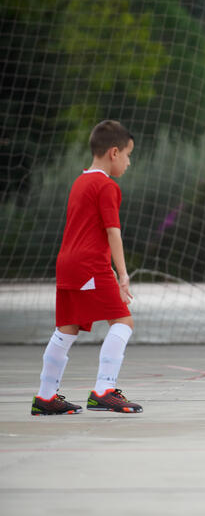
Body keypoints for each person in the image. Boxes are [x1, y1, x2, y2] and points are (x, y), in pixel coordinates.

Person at [31, 120, 143, 415]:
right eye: (129, 155)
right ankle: (104, 389)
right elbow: (113, 232)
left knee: (66, 330)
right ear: (114, 152)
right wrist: (123, 275)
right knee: (123, 321)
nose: (129, 163)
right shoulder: (107, 186)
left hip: (66, 264)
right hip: (90, 265)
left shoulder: (80, 181)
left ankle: (45, 396)